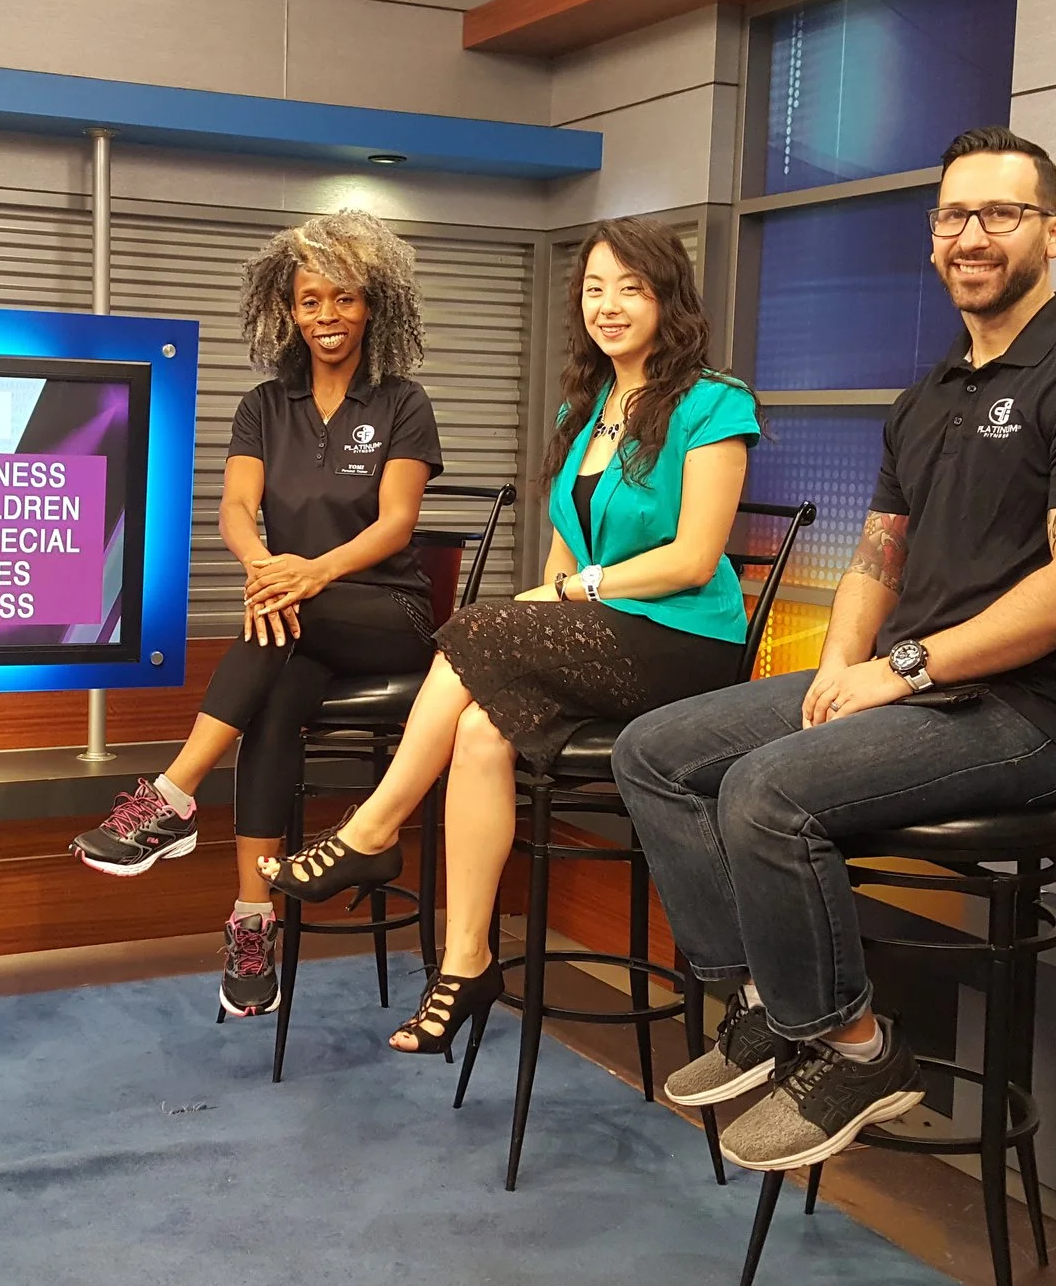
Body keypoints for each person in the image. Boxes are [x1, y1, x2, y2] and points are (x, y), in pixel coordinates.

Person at [611, 126, 1056, 1173]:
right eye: (954, 216)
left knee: (764, 791)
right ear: (933, 239)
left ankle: (854, 1044)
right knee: (650, 749)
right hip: (910, 690)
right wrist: (839, 664)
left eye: (1000, 214)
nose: (973, 235)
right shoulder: (925, 399)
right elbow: (878, 560)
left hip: (1028, 717)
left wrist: (902, 670)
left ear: (1052, 231)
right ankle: (764, 1005)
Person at [258, 216, 760, 1055]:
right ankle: (467, 962)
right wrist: (548, 599)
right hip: (605, 634)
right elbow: (570, 538)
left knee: (477, 630)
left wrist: (565, 591)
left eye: (631, 289)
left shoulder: (715, 401)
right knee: (482, 728)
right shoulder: (587, 405)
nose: (610, 306)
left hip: (689, 644)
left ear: (667, 299)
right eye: (595, 289)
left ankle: (372, 829)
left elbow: (692, 557)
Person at [68, 209, 444, 1019]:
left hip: (391, 617)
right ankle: (251, 920)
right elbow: (236, 508)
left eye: (343, 299)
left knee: (277, 620)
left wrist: (311, 573)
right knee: (272, 706)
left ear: (372, 305)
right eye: (310, 301)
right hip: (296, 618)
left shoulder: (402, 401)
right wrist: (265, 566)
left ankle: (171, 797)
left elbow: (395, 526)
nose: (327, 317)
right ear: (289, 310)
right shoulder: (265, 405)